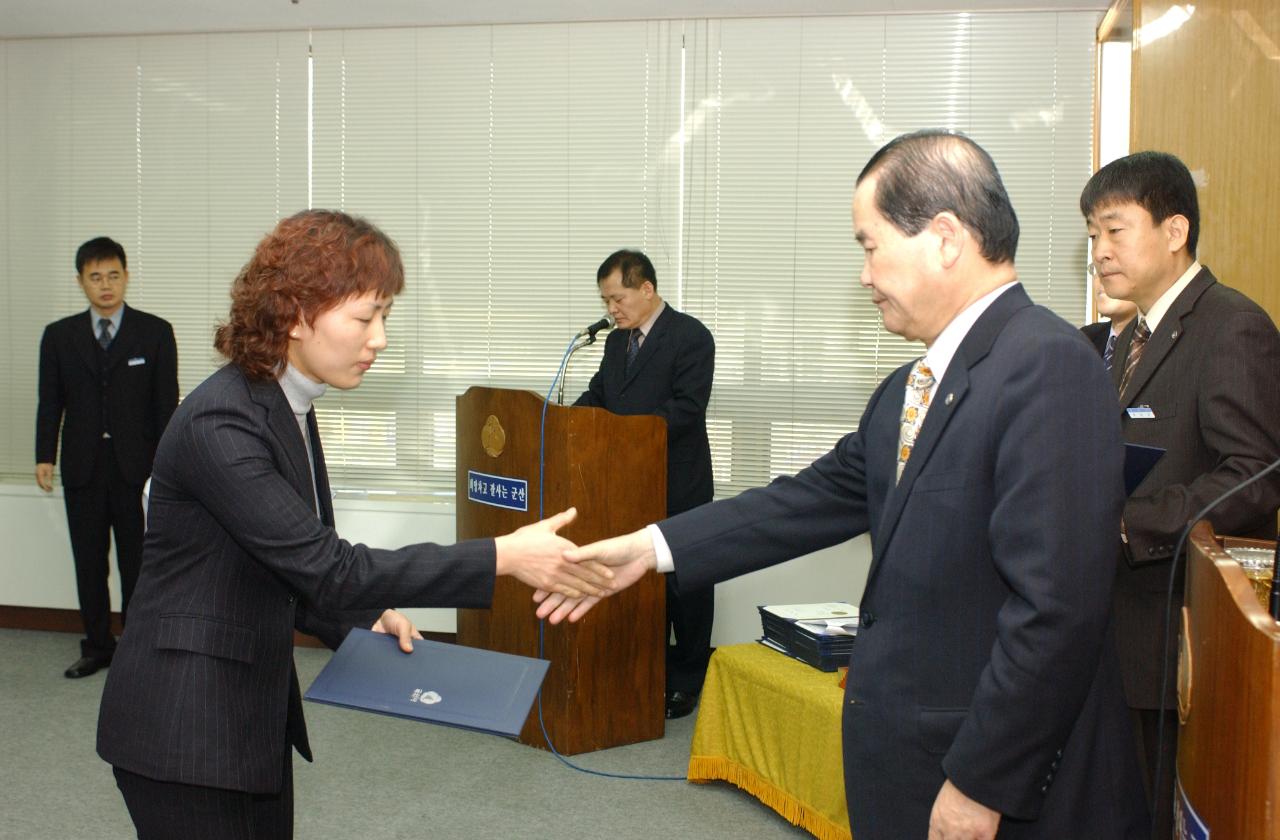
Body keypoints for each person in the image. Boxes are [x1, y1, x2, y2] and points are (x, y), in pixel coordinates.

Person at [541, 131, 1150, 839]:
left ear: (945, 238)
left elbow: (1057, 609)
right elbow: (801, 502)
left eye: (870, 245)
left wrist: (984, 780)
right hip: (907, 762)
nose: (863, 275)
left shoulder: (1048, 366)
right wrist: (650, 550)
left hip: (992, 786)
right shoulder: (907, 388)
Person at [96, 210, 613, 838]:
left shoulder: (286, 403)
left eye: (385, 317)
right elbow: (328, 566)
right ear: (293, 314)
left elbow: (286, 569)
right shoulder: (222, 423)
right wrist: (503, 555)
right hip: (185, 725)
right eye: (365, 318)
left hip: (244, 716)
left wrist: (360, 619)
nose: (381, 339)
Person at [1081, 150, 1280, 839]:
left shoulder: (1231, 326)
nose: (1100, 253)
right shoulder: (1129, 336)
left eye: (1114, 231)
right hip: (1115, 631)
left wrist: (1131, 525)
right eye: (1091, 237)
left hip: (1178, 636)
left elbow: (1254, 475)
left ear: (1175, 231)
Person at [574, 249, 716, 720]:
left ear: (646, 289)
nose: (611, 310)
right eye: (605, 301)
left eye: (617, 299)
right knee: (639, 583)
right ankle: (647, 670)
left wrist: (624, 432)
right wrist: (559, 419)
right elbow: (599, 395)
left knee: (684, 586)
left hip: (679, 481)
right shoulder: (617, 344)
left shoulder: (691, 336)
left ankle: (688, 678)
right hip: (627, 484)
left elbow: (687, 409)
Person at [36, 236, 179, 679]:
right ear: (81, 282)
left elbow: (166, 407)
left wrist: (167, 467)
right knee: (89, 563)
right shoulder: (59, 337)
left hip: (137, 471)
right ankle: (97, 646)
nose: (105, 285)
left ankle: (138, 648)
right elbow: (50, 402)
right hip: (82, 469)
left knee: (138, 564)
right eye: (95, 277)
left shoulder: (154, 333)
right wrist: (45, 456)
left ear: (126, 277)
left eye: (113, 275)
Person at [1081, 273, 1138, 369]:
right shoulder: (1084, 338)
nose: (1102, 276)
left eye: (1115, 270)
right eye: (1096, 268)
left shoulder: (1158, 341)